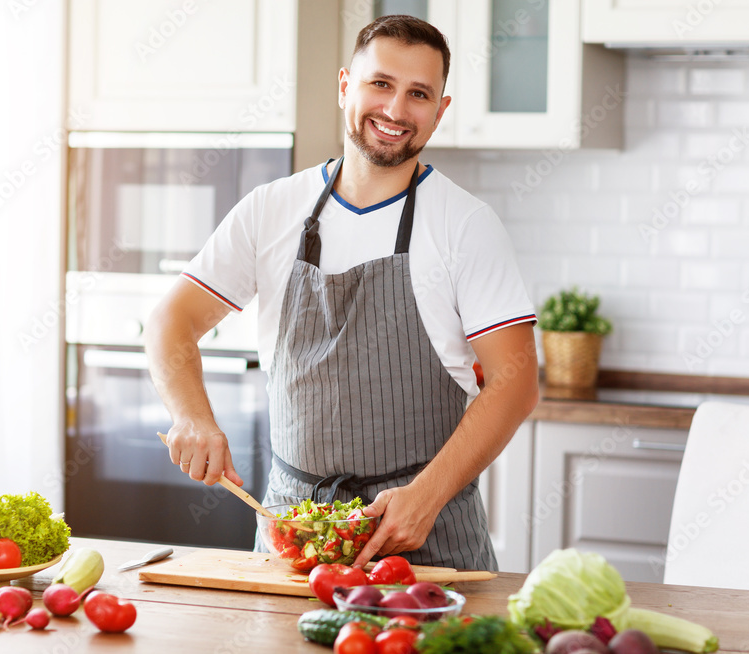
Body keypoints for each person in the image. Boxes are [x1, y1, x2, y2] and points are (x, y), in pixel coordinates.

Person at [145, 15, 539, 571]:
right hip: (294, 535)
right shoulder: (271, 209)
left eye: (418, 94)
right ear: (344, 86)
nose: (397, 111)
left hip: (425, 538)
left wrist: (424, 501)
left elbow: (516, 380)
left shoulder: (465, 224)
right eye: (380, 83)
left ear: (440, 110)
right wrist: (192, 418)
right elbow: (170, 320)